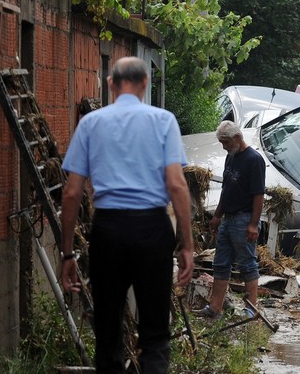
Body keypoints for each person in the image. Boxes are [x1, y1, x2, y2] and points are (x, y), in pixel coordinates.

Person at [59, 56, 194, 374]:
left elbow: (71, 193)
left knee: (108, 332)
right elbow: (176, 185)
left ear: (110, 85)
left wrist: (68, 253)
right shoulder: (163, 121)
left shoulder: (91, 124)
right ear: (145, 84)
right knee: (155, 332)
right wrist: (186, 244)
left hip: (108, 230)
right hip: (152, 228)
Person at [195, 120, 265, 319]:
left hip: (244, 219)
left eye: (225, 142)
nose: (224, 146)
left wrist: (253, 224)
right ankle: (215, 308)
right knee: (220, 263)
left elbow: (258, 195)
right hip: (228, 218)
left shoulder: (254, 160)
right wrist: (217, 215)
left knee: (247, 264)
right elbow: (226, 189)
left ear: (237, 138)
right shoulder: (231, 157)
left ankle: (251, 308)